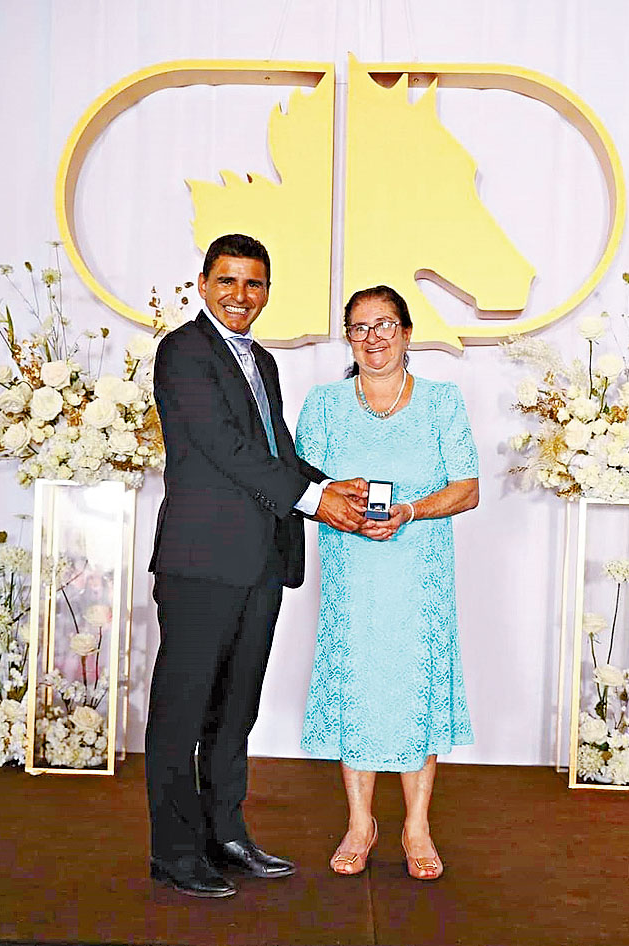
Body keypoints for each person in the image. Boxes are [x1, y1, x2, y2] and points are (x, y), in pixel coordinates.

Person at [146, 233, 368, 898]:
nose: (241, 295)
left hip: (260, 561)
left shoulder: (261, 360)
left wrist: (330, 485)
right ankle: (175, 853)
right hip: (201, 562)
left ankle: (226, 834)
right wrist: (317, 501)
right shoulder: (184, 351)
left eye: (254, 283)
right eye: (228, 281)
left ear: (267, 290)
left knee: (235, 710)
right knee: (182, 714)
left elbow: (274, 451)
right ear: (203, 284)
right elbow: (226, 447)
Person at [296, 285, 479, 881]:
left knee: (414, 686)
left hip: (419, 573)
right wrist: (337, 504)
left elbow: (467, 489)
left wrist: (411, 511)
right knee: (357, 685)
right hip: (352, 571)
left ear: (406, 332)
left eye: (385, 325)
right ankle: (360, 824)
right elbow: (301, 488)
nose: (372, 337)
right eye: (359, 327)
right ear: (348, 338)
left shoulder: (442, 401)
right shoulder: (324, 404)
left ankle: (416, 826)